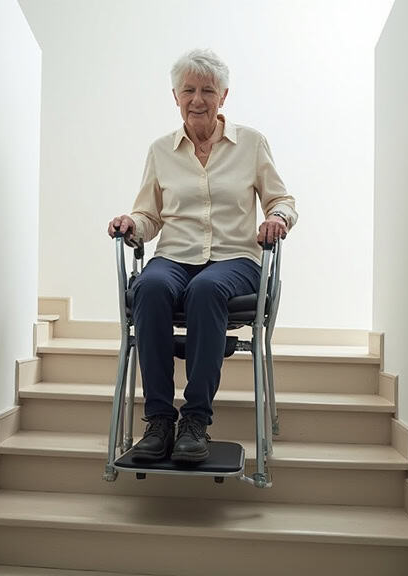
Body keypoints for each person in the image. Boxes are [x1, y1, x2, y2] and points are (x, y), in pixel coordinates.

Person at [107, 49, 297, 463]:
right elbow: (149, 215)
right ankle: (159, 421)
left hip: (235, 260)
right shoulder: (161, 151)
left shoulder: (251, 143)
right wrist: (132, 224)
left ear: (223, 96)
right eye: (189, 90)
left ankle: (195, 421)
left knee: (206, 290)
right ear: (175, 96)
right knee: (151, 287)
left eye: (207, 90)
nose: (198, 99)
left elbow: (282, 198)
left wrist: (277, 217)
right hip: (174, 256)